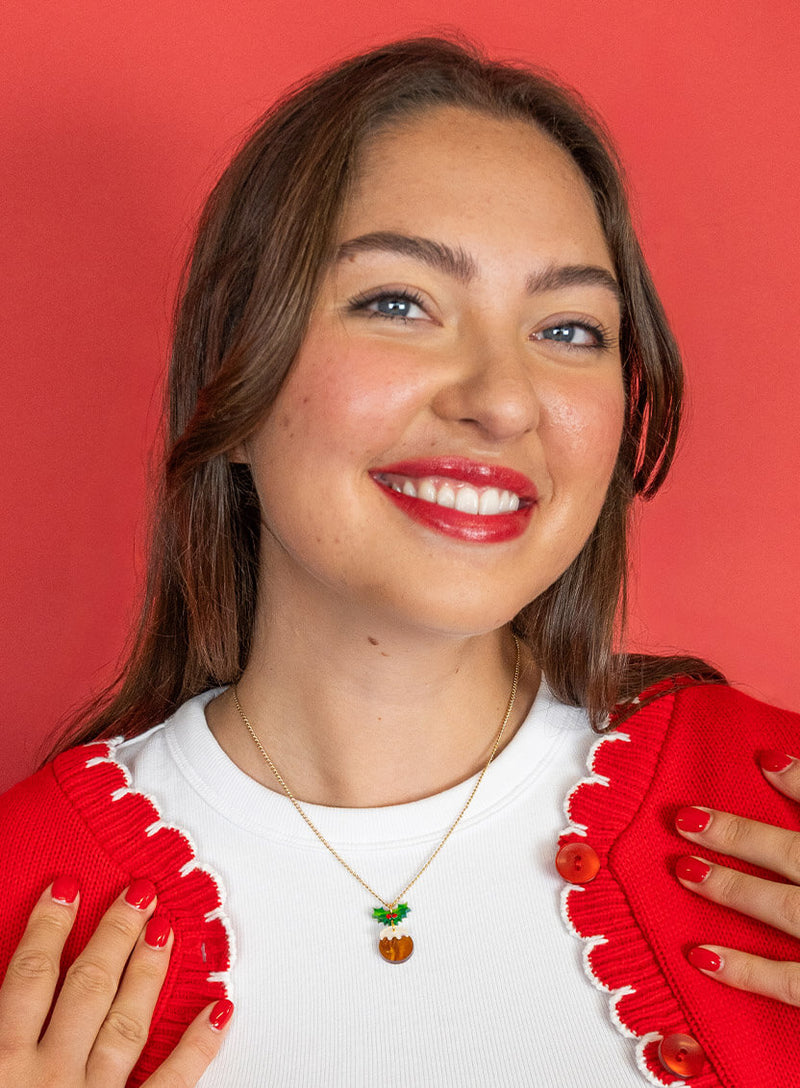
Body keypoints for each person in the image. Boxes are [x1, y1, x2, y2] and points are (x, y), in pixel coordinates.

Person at [0, 35, 797, 1088]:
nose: (503, 399)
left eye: (567, 328)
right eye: (397, 302)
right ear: (232, 384)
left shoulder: (764, 806)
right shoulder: (25, 903)